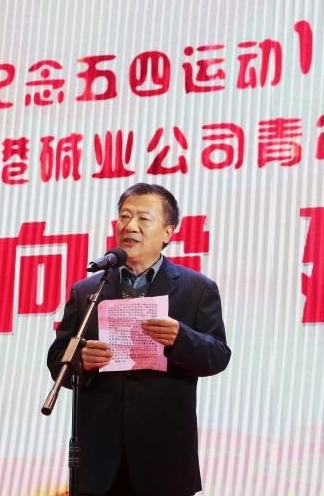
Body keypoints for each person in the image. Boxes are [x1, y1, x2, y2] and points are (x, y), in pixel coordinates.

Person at [47, 183, 231, 496]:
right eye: (124, 216)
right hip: (99, 460)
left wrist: (181, 338)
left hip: (163, 457)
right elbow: (57, 360)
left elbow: (218, 355)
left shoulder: (197, 289)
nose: (130, 226)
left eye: (143, 219)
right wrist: (81, 361)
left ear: (167, 233)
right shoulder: (87, 291)